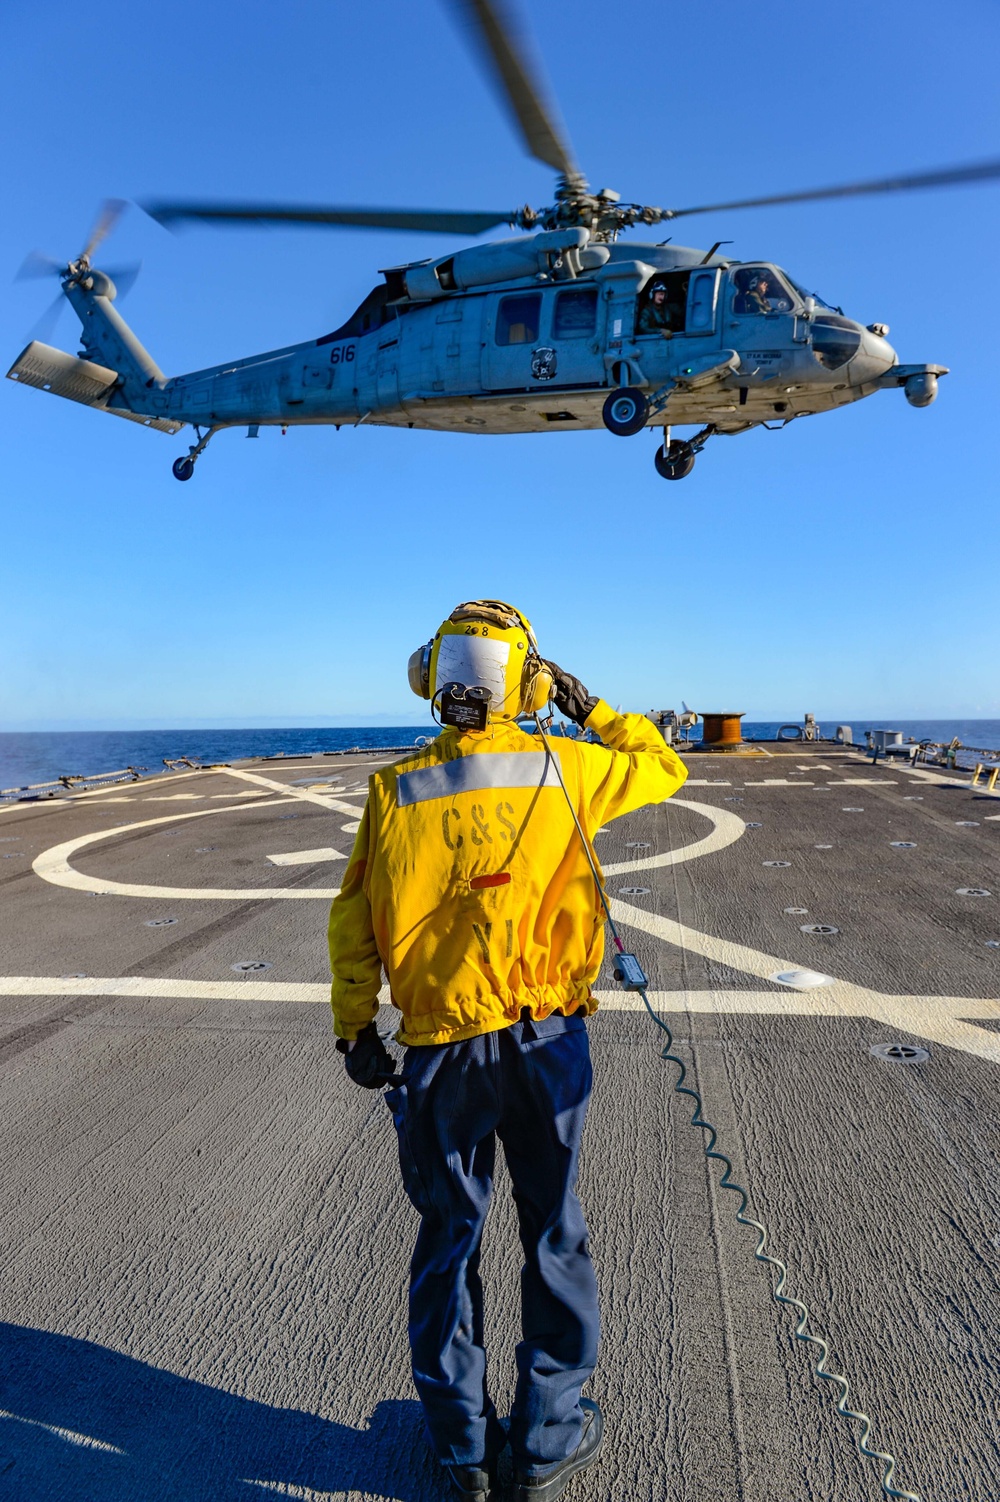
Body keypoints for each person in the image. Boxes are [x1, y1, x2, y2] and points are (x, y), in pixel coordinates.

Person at [328, 600, 688, 1502]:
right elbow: (666, 766)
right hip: (547, 1040)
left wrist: (353, 1027)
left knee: (450, 1237)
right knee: (552, 1231)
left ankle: (460, 1448)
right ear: (527, 682)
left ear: (431, 675)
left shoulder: (394, 790)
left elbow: (352, 924)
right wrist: (590, 707)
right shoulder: (567, 766)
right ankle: (545, 1440)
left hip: (443, 1053)